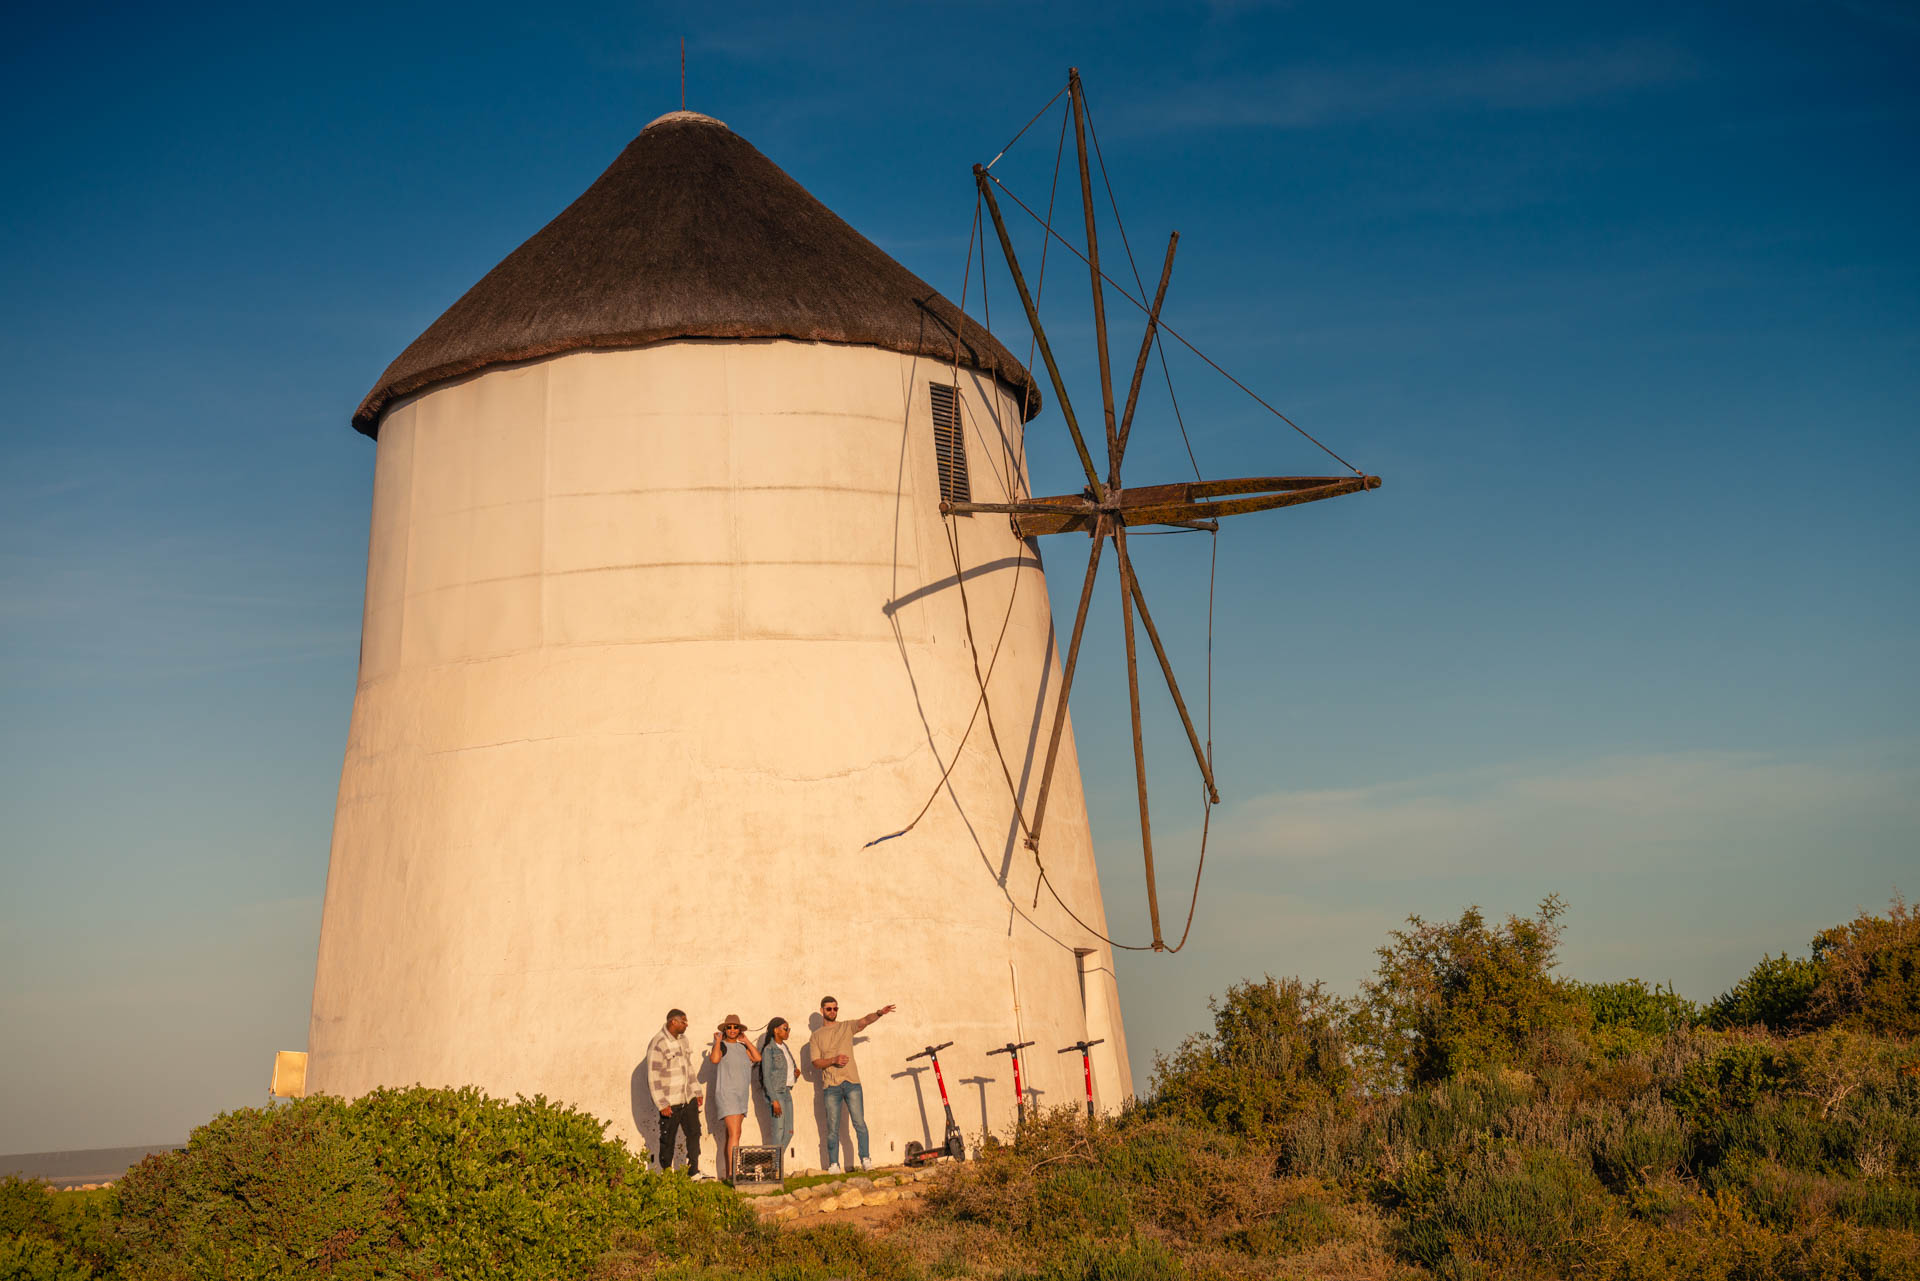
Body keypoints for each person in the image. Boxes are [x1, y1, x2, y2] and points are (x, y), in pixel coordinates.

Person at [809, 994, 895, 1172]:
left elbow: (865, 1021)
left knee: (859, 1124)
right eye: (829, 1009)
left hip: (852, 1083)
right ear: (822, 1010)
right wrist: (833, 1060)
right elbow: (816, 1063)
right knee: (832, 1128)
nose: (832, 1011)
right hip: (831, 1086)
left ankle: (865, 1159)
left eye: (835, 1008)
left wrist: (879, 1013)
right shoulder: (816, 1036)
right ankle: (834, 1164)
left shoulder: (846, 1026)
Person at [646, 1008, 710, 1179]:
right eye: (683, 1021)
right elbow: (653, 1076)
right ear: (673, 1022)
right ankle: (667, 1175)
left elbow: (688, 1067)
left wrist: (696, 1090)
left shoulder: (683, 1040)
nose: (686, 1024)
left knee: (694, 1133)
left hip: (687, 1097)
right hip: (670, 1101)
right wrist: (662, 1104)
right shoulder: (658, 1043)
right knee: (668, 1139)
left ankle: (693, 1172)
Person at [709, 1013, 761, 1181]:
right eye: (729, 1027)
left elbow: (757, 1057)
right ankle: (733, 1173)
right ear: (725, 1030)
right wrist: (717, 1042)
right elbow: (714, 1059)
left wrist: (746, 1041)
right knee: (735, 1133)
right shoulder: (722, 1046)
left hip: (741, 1095)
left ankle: (729, 1173)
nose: (732, 1030)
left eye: (735, 1027)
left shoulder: (742, 1048)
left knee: (732, 1134)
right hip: (727, 1094)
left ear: (739, 1030)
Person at [759, 1017, 799, 1167]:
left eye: (789, 1029)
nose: (788, 1032)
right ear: (776, 1030)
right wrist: (774, 1099)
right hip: (776, 1093)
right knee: (778, 1131)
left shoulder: (785, 1047)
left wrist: (795, 1074)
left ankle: (771, 1163)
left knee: (789, 1131)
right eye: (785, 1029)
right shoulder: (769, 1050)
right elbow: (766, 1077)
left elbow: (787, 1069)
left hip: (787, 1091)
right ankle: (775, 1168)